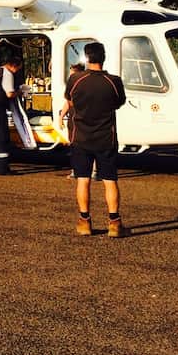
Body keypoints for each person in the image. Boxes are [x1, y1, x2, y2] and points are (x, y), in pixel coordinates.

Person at [59, 41, 127, 237]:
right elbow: (118, 103)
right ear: (103, 57)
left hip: (81, 137)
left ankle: (84, 221)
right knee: (110, 180)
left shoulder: (75, 80)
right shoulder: (114, 81)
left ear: (86, 58)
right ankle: (114, 222)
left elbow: (70, 101)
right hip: (106, 137)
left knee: (83, 179)